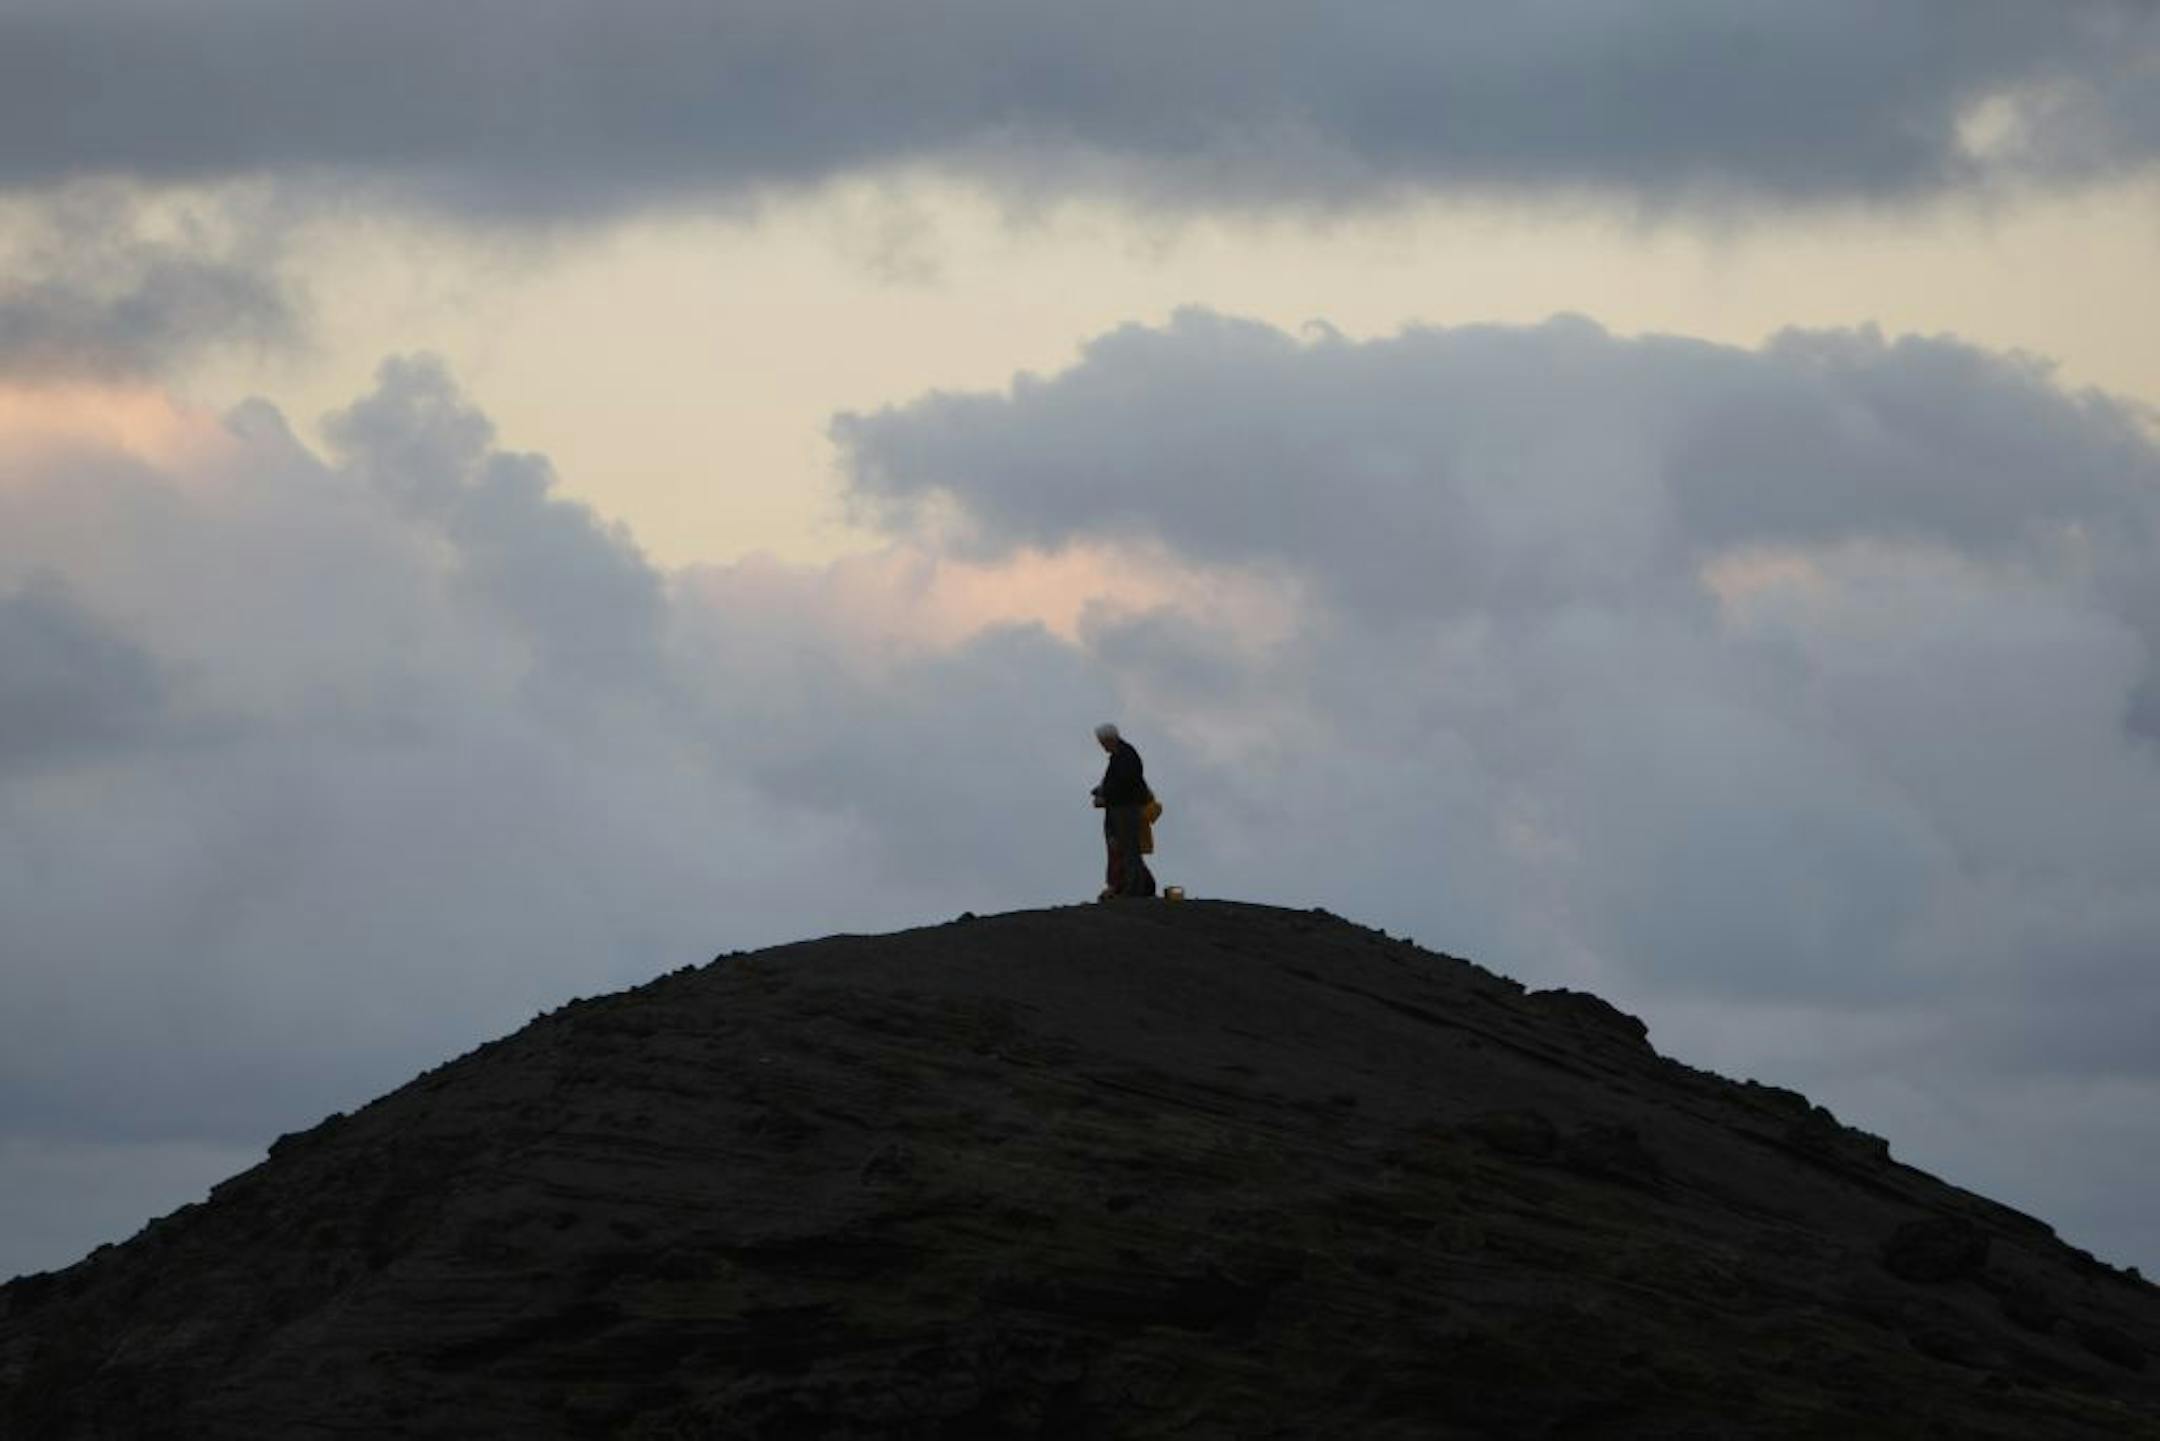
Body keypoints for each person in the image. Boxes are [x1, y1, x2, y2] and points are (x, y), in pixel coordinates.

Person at [1090, 722, 1156, 899]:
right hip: (1122, 808)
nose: (1102, 746)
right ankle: (1134, 888)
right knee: (1127, 850)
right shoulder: (1122, 754)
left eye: (1103, 742)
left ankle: (1133, 891)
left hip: (1126, 809)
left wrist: (1106, 795)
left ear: (1110, 739)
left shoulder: (1125, 755)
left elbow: (1125, 783)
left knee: (1129, 850)